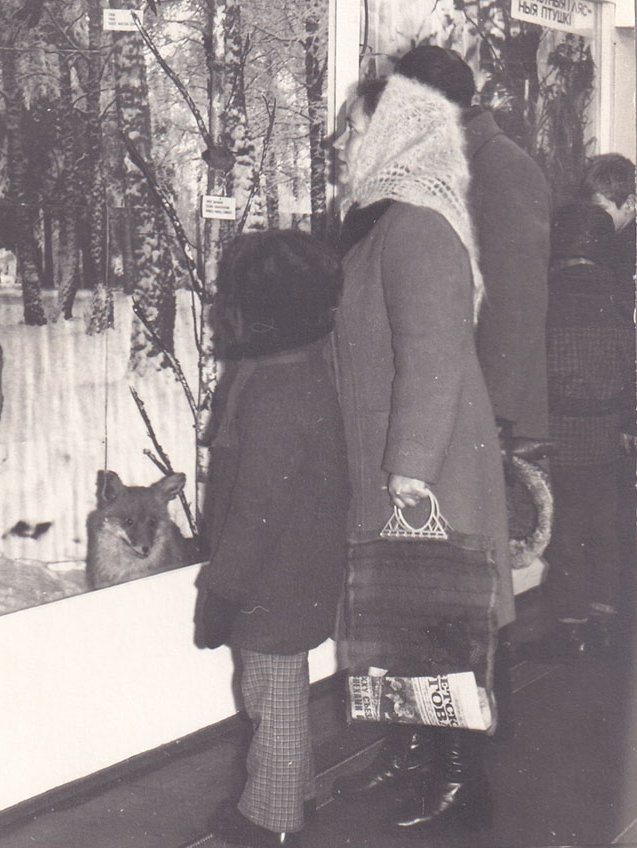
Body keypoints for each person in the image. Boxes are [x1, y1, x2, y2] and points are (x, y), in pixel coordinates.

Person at [329, 73, 515, 831]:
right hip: (395, 455)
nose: (341, 141)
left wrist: (410, 464)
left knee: (443, 622)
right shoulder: (382, 219)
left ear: (393, 131)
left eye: (352, 126)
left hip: (429, 465)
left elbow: (435, 356)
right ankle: (410, 752)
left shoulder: (417, 227)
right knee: (401, 616)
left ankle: (462, 777)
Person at [195, 229, 350, 848]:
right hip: (294, 567)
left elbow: (257, 508)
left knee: (272, 695)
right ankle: (297, 794)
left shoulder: (276, 390)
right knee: (281, 686)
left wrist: (223, 590)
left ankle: (271, 820)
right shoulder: (294, 369)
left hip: (274, 575)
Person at [396, 44, 551, 444]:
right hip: (453, 397)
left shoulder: (503, 167)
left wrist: (494, 413)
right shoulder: (443, 160)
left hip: (483, 410)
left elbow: (518, 302)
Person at [542, 154, 636, 659]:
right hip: (607, 434)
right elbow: (627, 367)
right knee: (606, 529)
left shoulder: (549, 299)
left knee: (566, 534)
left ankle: (571, 628)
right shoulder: (615, 299)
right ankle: (604, 620)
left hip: (561, 435)